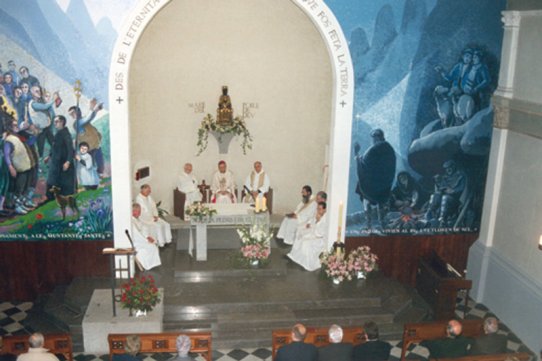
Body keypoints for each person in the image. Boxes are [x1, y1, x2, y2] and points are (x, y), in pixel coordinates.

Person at [287, 201, 328, 271]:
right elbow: (311, 221)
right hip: (313, 233)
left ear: (325, 210)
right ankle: (296, 256)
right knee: (300, 234)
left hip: (319, 239)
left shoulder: (326, 219)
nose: (318, 210)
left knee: (305, 242)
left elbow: (319, 233)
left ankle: (308, 263)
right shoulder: (317, 214)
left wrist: (318, 221)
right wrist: (310, 224)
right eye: (317, 209)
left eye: (320, 209)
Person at [69, 99, 105, 176]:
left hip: (96, 145)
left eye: (73, 113)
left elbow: (90, 117)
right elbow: (88, 118)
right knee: (90, 166)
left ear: (78, 111)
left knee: (100, 164)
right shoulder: (77, 123)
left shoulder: (83, 120)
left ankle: (99, 177)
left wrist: (95, 109)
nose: (72, 115)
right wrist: (94, 109)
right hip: (90, 148)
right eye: (71, 114)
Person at [45, 115, 76, 200]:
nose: (55, 124)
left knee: (64, 183)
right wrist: (49, 156)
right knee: (52, 180)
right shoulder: (58, 133)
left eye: (56, 121)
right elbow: (55, 146)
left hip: (63, 162)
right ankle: (50, 198)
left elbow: (70, 149)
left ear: (62, 122)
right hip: (56, 161)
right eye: (54, 122)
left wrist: (68, 162)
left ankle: (64, 199)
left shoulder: (65, 134)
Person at [131, 203, 161, 271]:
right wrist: (146, 240)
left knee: (153, 244)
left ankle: (152, 264)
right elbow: (136, 234)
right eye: (138, 211)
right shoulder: (131, 221)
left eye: (140, 211)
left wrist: (147, 236)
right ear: (133, 211)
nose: (140, 213)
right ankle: (147, 265)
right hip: (137, 242)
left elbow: (143, 228)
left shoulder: (137, 219)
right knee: (151, 247)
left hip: (141, 239)